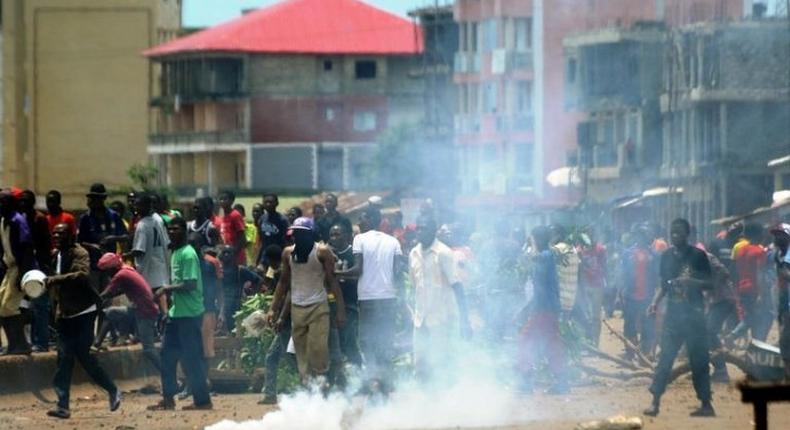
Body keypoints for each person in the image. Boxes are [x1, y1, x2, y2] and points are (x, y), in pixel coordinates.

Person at [45, 224, 121, 419]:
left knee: (84, 357)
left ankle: (112, 389)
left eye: (61, 233)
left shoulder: (79, 253)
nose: (56, 236)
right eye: (55, 233)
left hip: (83, 312)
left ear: (71, 235)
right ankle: (63, 405)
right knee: (63, 358)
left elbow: (81, 274)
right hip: (65, 314)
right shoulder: (57, 255)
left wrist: (56, 279)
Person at [644, 218, 714, 417]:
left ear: (687, 234)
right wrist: (654, 303)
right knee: (665, 358)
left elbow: (710, 284)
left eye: (679, 232)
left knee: (699, 360)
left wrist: (691, 281)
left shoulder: (698, 255)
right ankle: (655, 402)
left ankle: (706, 404)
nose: (675, 236)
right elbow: (664, 286)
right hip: (674, 316)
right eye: (672, 232)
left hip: (694, 316)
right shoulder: (666, 256)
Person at [267, 217, 345, 384]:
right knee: (301, 354)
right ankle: (308, 387)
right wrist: (273, 309)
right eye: (296, 234)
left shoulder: (322, 252)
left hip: (318, 306)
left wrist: (340, 310)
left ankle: (321, 381)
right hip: (297, 308)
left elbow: (332, 281)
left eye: (302, 234)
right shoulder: (288, 253)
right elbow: (283, 282)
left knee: (318, 348)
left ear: (311, 235)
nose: (298, 238)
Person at [148, 218, 211, 411]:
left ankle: (203, 401)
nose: (172, 232)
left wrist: (165, 289)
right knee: (167, 356)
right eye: (170, 229)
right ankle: (168, 398)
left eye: (176, 229)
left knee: (191, 359)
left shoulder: (188, 254)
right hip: (177, 314)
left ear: (184, 230)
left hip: (190, 315)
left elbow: (190, 283)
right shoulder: (174, 252)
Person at [338, 207, 403, 391]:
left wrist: (334, 273)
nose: (359, 222)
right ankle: (386, 385)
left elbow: (358, 270)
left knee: (367, 342)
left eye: (362, 218)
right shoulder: (393, 241)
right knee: (385, 342)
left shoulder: (360, 239)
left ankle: (374, 384)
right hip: (388, 299)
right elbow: (397, 272)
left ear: (372, 220)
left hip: (368, 300)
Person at [409, 215, 470, 381]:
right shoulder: (414, 253)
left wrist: (465, 321)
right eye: (418, 228)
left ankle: (445, 402)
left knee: (440, 365)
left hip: (441, 319)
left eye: (424, 228)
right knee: (420, 364)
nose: (420, 232)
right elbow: (415, 287)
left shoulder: (444, 253)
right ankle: (423, 402)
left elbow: (457, 287)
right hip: (420, 319)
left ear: (433, 231)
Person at [519, 225, 567, 394]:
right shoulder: (546, 256)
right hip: (546, 308)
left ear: (537, 239)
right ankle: (561, 382)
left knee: (526, 341)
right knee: (551, 344)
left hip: (545, 309)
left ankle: (526, 383)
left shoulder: (545, 255)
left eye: (532, 238)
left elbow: (532, 258)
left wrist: (531, 242)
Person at [97, 252, 161, 376]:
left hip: (144, 312)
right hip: (140, 310)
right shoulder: (127, 269)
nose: (107, 275)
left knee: (148, 350)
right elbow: (119, 291)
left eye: (107, 271)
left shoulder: (121, 275)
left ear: (112, 268)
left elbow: (106, 293)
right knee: (110, 312)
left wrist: (92, 303)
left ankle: (170, 377)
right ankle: (97, 344)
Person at [0, 189, 34, 355]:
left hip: (20, 268)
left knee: (9, 306)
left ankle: (20, 345)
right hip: (9, 268)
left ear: (12, 204)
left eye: (3, 201)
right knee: (3, 306)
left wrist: (23, 275)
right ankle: (14, 344)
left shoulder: (17, 221)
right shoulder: (4, 220)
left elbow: (27, 248)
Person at [77, 183, 128, 292]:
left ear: (102, 199)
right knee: (93, 297)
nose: (91, 201)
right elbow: (80, 241)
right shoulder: (85, 218)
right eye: (90, 198)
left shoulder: (113, 216)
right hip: (93, 266)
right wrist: (93, 246)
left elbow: (125, 236)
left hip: (110, 267)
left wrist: (112, 238)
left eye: (95, 198)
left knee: (108, 297)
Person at [19, 190, 53, 352]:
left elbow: (45, 245)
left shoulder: (39, 219)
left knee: (40, 306)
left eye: (26, 201)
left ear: (32, 202)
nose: (23, 204)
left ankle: (42, 342)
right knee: (27, 307)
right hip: (26, 268)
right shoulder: (22, 218)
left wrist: (44, 267)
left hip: (38, 267)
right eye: (21, 201)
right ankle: (32, 340)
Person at [619, 225, 658, 360]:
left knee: (648, 326)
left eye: (645, 235)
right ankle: (630, 352)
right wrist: (621, 290)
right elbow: (623, 274)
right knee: (629, 325)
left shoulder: (654, 254)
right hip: (631, 295)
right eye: (641, 235)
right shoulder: (627, 253)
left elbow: (657, 275)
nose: (643, 238)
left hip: (648, 296)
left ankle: (645, 353)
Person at [127, 192, 170, 311]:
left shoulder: (142, 224)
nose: (136, 208)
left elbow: (139, 250)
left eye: (138, 205)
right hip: (160, 263)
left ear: (147, 206)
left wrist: (123, 256)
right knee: (161, 294)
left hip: (148, 267)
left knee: (149, 299)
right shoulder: (158, 218)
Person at [328, 224, 362, 366]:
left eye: (337, 234)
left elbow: (357, 275)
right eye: (332, 235)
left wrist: (339, 275)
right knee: (336, 344)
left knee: (349, 340)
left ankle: (359, 371)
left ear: (347, 236)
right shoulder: (328, 254)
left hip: (350, 303)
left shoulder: (353, 253)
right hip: (332, 304)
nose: (334, 238)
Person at [732, 223, 768, 340]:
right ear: (758, 235)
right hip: (754, 289)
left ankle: (753, 342)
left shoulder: (741, 250)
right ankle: (734, 335)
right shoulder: (759, 251)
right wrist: (761, 293)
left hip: (742, 288)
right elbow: (760, 273)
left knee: (751, 317)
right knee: (754, 318)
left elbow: (736, 270)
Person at [218, 246, 263, 334]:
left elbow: (259, 281)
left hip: (238, 307)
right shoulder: (218, 271)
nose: (226, 255)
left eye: (229, 252)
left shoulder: (240, 270)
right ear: (221, 256)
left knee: (238, 333)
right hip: (222, 307)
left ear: (234, 256)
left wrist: (253, 295)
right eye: (224, 252)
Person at [578, 229, 607, 346]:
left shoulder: (600, 249)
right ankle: (588, 341)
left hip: (597, 285)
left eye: (592, 234)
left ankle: (596, 342)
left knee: (595, 316)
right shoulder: (579, 250)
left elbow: (604, 266)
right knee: (586, 315)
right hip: (584, 286)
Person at [769, 224, 790, 380]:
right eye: (776, 235)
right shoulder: (778, 254)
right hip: (784, 301)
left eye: (781, 235)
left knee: (785, 340)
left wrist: (786, 272)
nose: (777, 238)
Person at [215, 191, 247, 266]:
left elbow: (242, 238)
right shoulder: (222, 216)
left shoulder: (235, 215)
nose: (222, 201)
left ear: (231, 201)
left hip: (236, 257)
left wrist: (233, 253)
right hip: (225, 256)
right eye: (221, 199)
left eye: (225, 199)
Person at [258, 194, 289, 262]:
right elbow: (261, 240)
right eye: (266, 202)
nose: (268, 204)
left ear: (276, 203)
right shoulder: (262, 219)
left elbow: (287, 240)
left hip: (278, 257)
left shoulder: (283, 220)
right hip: (265, 257)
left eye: (270, 202)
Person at [234, 203, 260, 267]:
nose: (237, 217)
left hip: (248, 262)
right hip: (234, 261)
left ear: (244, 215)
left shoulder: (250, 228)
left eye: (239, 215)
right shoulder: (231, 229)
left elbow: (245, 243)